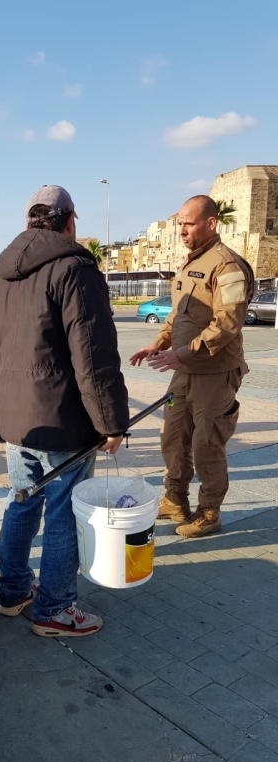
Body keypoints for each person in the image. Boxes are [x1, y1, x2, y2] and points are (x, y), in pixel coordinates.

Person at [0, 185, 129, 637]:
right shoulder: (74, 269)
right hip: (63, 422)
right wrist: (111, 423)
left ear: (28, 221)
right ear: (70, 220)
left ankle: (12, 592)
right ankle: (55, 608)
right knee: (64, 512)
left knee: (22, 501)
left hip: (17, 421)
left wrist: (1, 407)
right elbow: (94, 357)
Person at [130, 195, 254, 538]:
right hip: (184, 371)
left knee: (206, 444)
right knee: (172, 437)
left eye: (189, 223)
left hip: (215, 373)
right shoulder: (188, 265)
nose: (182, 230)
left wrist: (182, 354)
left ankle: (209, 511)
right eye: (180, 224)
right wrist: (158, 344)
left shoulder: (227, 265)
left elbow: (227, 323)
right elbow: (178, 314)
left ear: (211, 223)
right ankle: (175, 499)